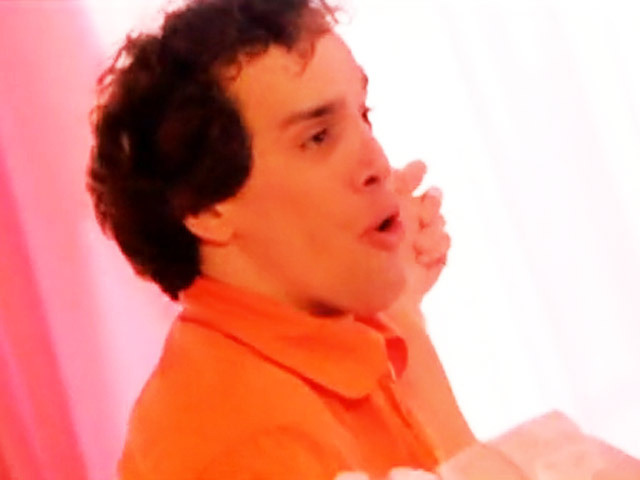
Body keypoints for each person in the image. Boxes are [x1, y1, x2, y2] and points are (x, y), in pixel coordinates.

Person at [88, 1, 640, 479]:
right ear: (208, 209)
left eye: (364, 115)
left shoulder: (336, 350)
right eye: (318, 137)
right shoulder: (246, 442)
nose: (376, 161)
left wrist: (402, 317)